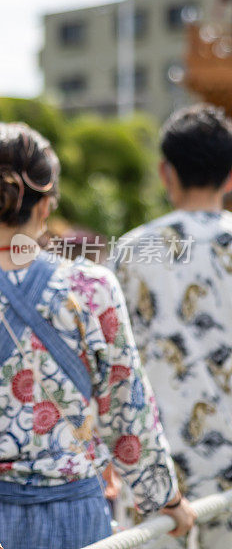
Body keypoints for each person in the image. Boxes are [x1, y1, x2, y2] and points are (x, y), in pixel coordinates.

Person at [0, 123, 196, 549]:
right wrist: (165, 498)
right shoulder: (93, 289)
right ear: (46, 204)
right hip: (78, 512)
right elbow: (128, 413)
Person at [110, 104, 232, 548]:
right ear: (230, 175)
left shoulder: (131, 251)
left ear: (166, 173)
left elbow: (113, 368)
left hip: (157, 476)